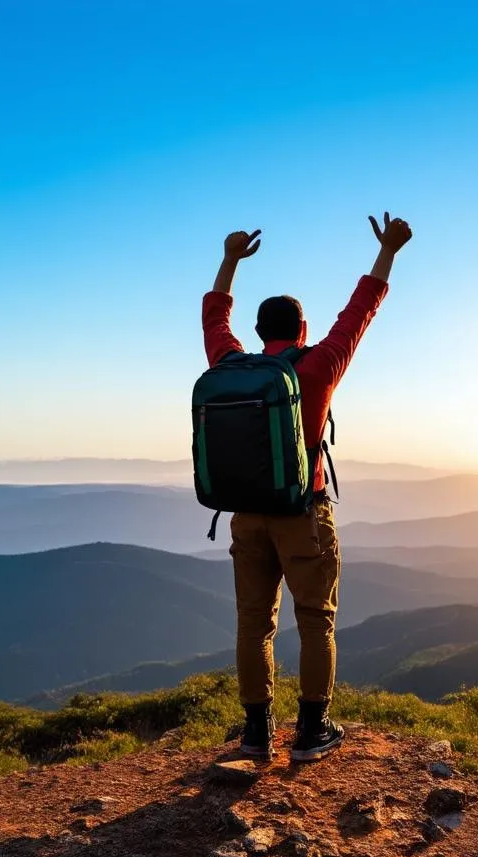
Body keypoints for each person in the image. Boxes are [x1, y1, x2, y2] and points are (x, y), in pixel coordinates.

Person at [201, 212, 413, 761]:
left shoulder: (228, 363)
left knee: (254, 623)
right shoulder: (317, 368)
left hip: (246, 514)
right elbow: (360, 311)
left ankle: (255, 733)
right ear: (300, 330)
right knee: (315, 618)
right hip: (303, 512)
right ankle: (312, 731)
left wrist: (229, 260)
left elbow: (213, 318)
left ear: (258, 330)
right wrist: (388, 249)